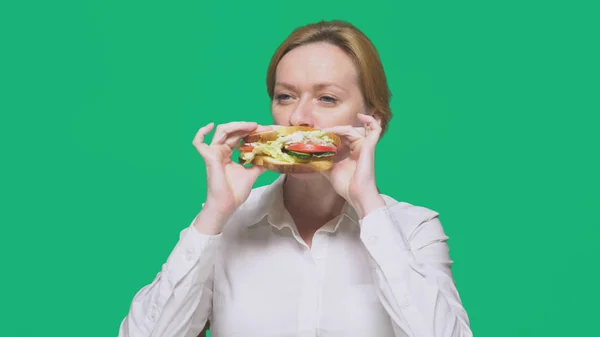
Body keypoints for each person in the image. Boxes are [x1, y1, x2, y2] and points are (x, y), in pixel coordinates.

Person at [118, 20, 472, 337]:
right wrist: (213, 215)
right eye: (285, 96)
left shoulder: (413, 230)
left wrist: (369, 205)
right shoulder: (227, 227)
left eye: (327, 98)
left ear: (370, 121)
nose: (299, 117)